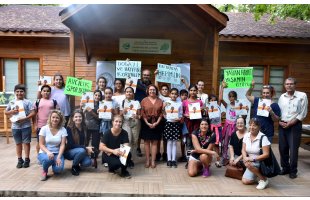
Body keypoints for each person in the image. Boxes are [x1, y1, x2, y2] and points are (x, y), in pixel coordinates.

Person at [278, 77, 308, 179]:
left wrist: (291, 123)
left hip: (295, 125)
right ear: (284, 85)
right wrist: (279, 121)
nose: (289, 86)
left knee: (293, 149)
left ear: (295, 85)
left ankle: (293, 171)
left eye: (291, 84)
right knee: (282, 148)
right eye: (287, 84)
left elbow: (302, 113)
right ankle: (285, 168)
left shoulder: (302, 96)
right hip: (282, 125)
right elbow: (279, 111)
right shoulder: (282, 96)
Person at [5, 84, 36, 168]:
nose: (19, 93)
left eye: (21, 91)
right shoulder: (12, 102)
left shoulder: (28, 102)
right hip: (15, 126)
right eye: (17, 91)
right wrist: (11, 111)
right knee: (18, 143)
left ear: (24, 92)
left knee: (26, 143)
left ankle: (27, 159)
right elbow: (6, 112)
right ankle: (19, 159)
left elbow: (33, 112)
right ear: (15, 92)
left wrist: (25, 118)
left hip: (26, 126)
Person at [64, 110, 97, 176]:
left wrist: (89, 149)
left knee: (87, 163)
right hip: (69, 151)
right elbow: (70, 145)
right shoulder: (68, 129)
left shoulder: (85, 128)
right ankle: (74, 167)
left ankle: (78, 160)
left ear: (82, 117)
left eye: (80, 116)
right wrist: (85, 148)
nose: (78, 118)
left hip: (81, 150)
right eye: (76, 117)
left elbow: (86, 142)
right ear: (73, 118)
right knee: (81, 151)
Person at [37, 110, 67, 181]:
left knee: (58, 170)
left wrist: (59, 157)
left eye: (57, 118)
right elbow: (41, 144)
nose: (55, 119)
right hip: (45, 152)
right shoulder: (44, 128)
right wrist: (48, 152)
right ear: (50, 118)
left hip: (57, 153)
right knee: (48, 159)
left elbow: (62, 145)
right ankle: (44, 171)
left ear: (60, 119)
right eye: (53, 117)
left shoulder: (63, 130)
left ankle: (53, 164)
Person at [242, 118, 270, 190]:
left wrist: (252, 159)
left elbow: (266, 154)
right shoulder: (246, 135)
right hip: (249, 160)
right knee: (245, 181)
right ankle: (256, 174)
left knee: (248, 165)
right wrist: (245, 158)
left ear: (259, 127)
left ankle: (263, 179)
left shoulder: (263, 138)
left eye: (254, 125)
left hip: (260, 161)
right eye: (250, 125)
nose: (251, 127)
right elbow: (243, 150)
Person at [140, 84, 163, 168]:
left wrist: (157, 123)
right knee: (146, 142)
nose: (152, 91)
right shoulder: (144, 100)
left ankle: (153, 161)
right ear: (148, 91)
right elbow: (142, 113)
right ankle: (147, 160)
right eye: (150, 90)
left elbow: (161, 113)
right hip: (146, 123)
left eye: (153, 90)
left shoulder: (160, 101)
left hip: (157, 122)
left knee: (154, 142)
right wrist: (147, 123)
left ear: (156, 91)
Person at [120, 86, 141, 168]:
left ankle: (131, 159)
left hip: (135, 122)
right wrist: (123, 112)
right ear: (125, 93)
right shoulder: (122, 102)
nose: (129, 93)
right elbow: (118, 115)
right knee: (127, 140)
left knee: (134, 141)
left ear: (133, 93)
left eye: (130, 92)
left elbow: (140, 115)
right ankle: (123, 159)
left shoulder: (136, 102)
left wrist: (137, 116)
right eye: (127, 92)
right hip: (126, 122)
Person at [34, 85, 59, 154]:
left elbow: (58, 113)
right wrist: (35, 125)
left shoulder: (54, 102)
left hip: (51, 125)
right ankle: (39, 155)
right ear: (41, 92)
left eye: (48, 91)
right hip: (40, 125)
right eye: (44, 91)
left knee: (49, 141)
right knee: (39, 141)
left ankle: (50, 154)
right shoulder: (37, 101)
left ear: (50, 92)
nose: (46, 92)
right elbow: (34, 114)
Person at [163, 88, 182, 168]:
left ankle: (174, 160)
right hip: (169, 123)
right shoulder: (166, 102)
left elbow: (181, 114)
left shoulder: (179, 103)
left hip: (176, 124)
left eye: (175, 94)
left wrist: (179, 118)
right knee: (169, 142)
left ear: (177, 95)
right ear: (169, 94)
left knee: (174, 142)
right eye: (172, 93)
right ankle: (169, 159)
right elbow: (163, 112)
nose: (174, 95)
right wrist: (165, 114)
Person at [219, 81, 238, 165]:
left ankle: (233, 157)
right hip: (227, 125)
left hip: (235, 126)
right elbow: (220, 99)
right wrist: (222, 87)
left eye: (233, 96)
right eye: (230, 96)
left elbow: (243, 114)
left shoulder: (239, 106)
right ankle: (224, 157)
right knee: (225, 142)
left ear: (235, 97)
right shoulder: (227, 105)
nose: (231, 98)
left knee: (234, 142)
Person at [135, 69, 152, 157]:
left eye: (148, 75)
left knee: (146, 130)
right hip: (137, 110)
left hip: (147, 111)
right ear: (142, 75)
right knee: (137, 130)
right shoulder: (136, 82)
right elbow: (127, 82)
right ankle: (137, 148)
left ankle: (148, 150)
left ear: (150, 76)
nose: (146, 76)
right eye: (144, 75)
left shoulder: (151, 85)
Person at [183, 85, 204, 149]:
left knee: (196, 138)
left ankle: (196, 155)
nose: (193, 92)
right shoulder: (185, 102)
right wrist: (185, 115)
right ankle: (189, 157)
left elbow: (202, 113)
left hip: (197, 123)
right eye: (191, 90)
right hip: (188, 123)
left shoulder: (199, 102)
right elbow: (182, 113)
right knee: (188, 139)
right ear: (189, 91)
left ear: (197, 91)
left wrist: (202, 109)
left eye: (194, 90)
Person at [82, 90, 102, 157]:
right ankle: (84, 155)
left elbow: (99, 118)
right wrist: (81, 107)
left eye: (99, 95)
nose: (97, 97)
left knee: (95, 143)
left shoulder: (102, 105)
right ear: (93, 96)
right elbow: (81, 113)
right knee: (85, 141)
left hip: (96, 126)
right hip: (86, 126)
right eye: (96, 95)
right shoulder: (87, 103)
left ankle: (94, 156)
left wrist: (92, 112)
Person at [206, 94, 222, 168]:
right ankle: (209, 161)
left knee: (216, 145)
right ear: (209, 101)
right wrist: (206, 110)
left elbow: (220, 97)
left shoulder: (218, 106)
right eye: (211, 100)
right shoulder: (208, 107)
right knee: (210, 144)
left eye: (214, 100)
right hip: (211, 128)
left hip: (218, 128)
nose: (213, 101)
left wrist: (222, 87)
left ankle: (218, 160)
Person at [178, 89, 189, 163]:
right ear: (180, 96)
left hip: (187, 123)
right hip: (180, 124)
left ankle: (188, 156)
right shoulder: (178, 103)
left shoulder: (189, 103)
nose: (184, 96)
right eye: (182, 95)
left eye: (185, 95)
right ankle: (183, 155)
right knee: (181, 140)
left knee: (187, 140)